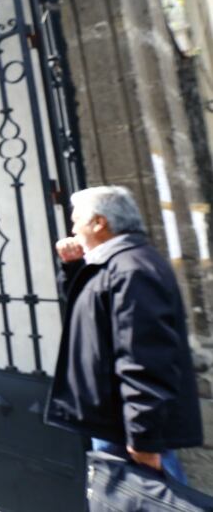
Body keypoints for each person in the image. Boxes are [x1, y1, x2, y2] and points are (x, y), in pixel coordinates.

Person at [45, 185, 202, 484]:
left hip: (128, 429)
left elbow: (144, 357)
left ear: (99, 222)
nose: (73, 229)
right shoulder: (112, 264)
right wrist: (73, 267)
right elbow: (89, 309)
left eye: (76, 220)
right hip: (114, 421)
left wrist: (143, 436)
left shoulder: (132, 269)